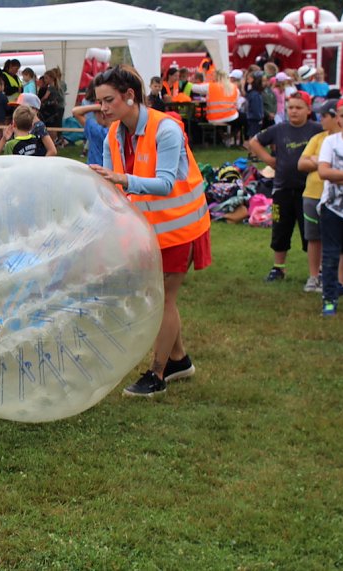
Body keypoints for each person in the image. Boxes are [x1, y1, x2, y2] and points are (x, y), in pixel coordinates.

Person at [90, 65, 212, 398]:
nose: (102, 108)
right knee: (159, 298)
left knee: (161, 300)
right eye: (99, 101)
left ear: (130, 96)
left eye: (108, 100)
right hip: (146, 231)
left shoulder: (166, 129)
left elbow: (166, 182)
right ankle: (179, 360)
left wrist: (123, 181)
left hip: (178, 229)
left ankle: (157, 374)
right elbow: (111, 181)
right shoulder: (115, 132)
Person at [249, 91, 322, 282]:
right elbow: (254, 142)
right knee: (280, 227)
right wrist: (268, 159)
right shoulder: (279, 129)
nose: (294, 112)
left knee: (311, 232)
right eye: (290, 108)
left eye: (299, 108)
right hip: (282, 188)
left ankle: (316, 271)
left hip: (308, 191)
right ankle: (278, 267)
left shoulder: (317, 130)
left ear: (308, 110)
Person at [298, 99, 343, 294]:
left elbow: (324, 169)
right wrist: (321, 164)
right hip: (315, 195)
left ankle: (340, 282)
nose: (322, 119)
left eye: (325, 116)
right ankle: (315, 278)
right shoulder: (322, 139)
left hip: (339, 201)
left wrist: (320, 163)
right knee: (316, 239)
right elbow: (305, 165)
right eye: (341, 116)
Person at [317, 99, 343, 316]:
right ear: (337, 119)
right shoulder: (331, 142)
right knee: (330, 256)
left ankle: (339, 286)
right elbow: (324, 172)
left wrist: (339, 177)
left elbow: (331, 173)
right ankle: (329, 299)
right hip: (332, 209)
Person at [72, 101, 109, 166]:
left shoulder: (96, 130)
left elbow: (75, 111)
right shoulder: (119, 131)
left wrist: (98, 107)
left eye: (95, 114)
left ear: (102, 115)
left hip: (94, 169)